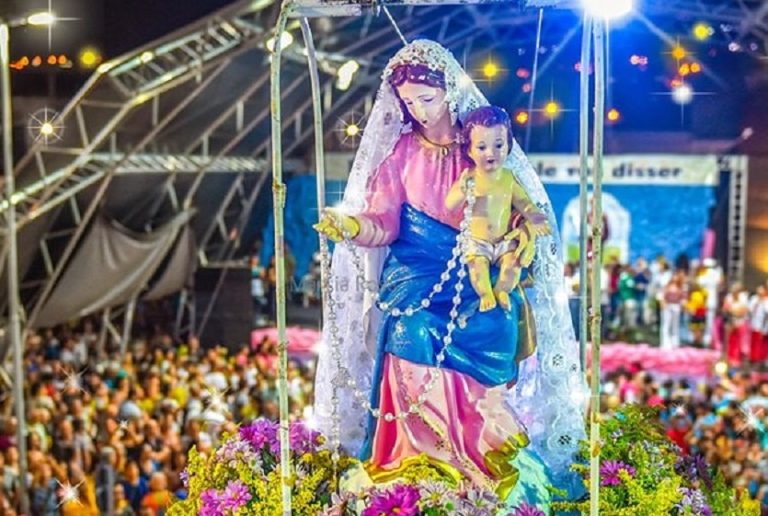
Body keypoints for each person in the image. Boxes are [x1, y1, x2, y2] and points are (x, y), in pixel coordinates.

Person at [313, 40, 583, 507]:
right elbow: (383, 222)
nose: (419, 110)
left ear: (450, 92)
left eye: (427, 98)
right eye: (409, 102)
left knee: (497, 321)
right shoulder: (400, 153)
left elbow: (518, 209)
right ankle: (416, 459)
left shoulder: (482, 144)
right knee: (412, 330)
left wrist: (522, 236)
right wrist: (351, 227)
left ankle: (480, 453)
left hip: (478, 272)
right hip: (417, 275)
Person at [444, 106, 549, 311]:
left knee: (513, 265)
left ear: (508, 145)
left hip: (504, 241)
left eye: (498, 145)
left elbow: (524, 202)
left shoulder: (508, 178)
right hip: (478, 242)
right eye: (482, 147)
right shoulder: (470, 177)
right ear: (469, 150)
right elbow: (449, 205)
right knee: (477, 269)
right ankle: (485, 294)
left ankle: (502, 290)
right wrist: (461, 191)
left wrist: (535, 217)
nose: (491, 153)